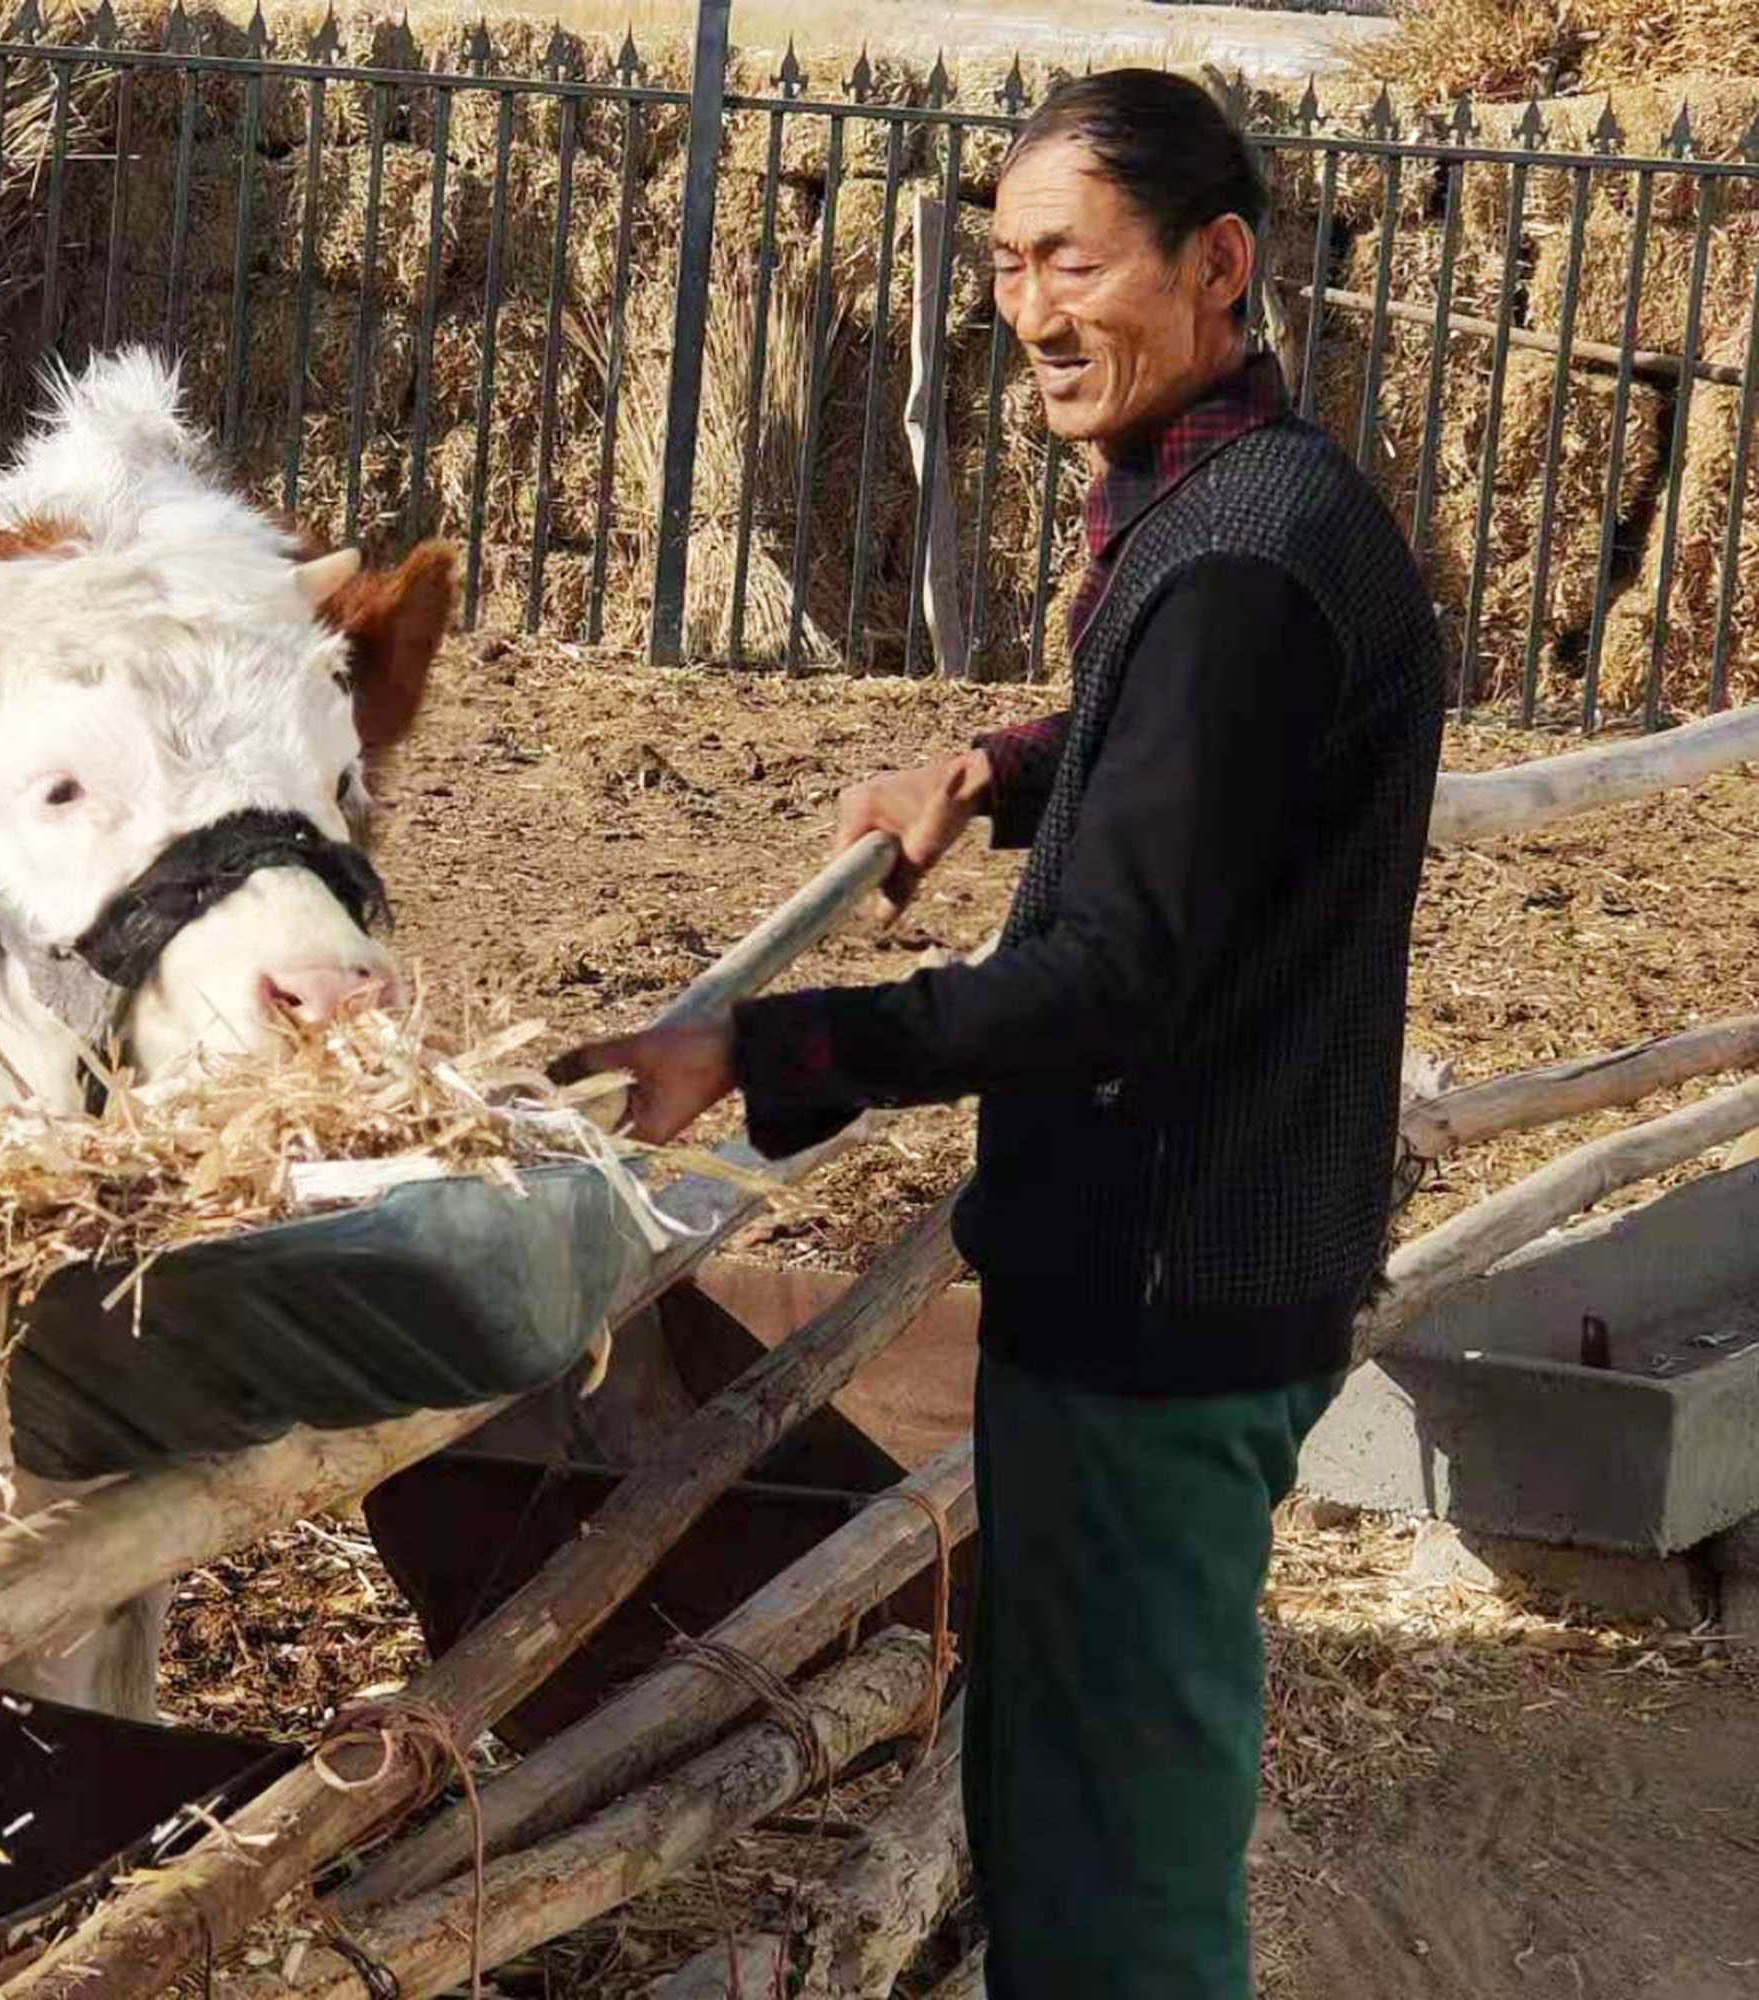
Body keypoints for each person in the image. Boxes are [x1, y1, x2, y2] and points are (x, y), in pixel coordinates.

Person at [558, 69, 1447, 2000]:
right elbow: (1208, 782)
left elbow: (1107, 977)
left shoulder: (1225, 566)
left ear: (1218, 263)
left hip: (1159, 1303)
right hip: (1210, 1271)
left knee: (1112, 1880)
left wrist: (758, 1049)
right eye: (1010, 267)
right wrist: (1000, 760)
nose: (1034, 313)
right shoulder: (1266, 508)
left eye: (1077, 260)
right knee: (1090, 1815)